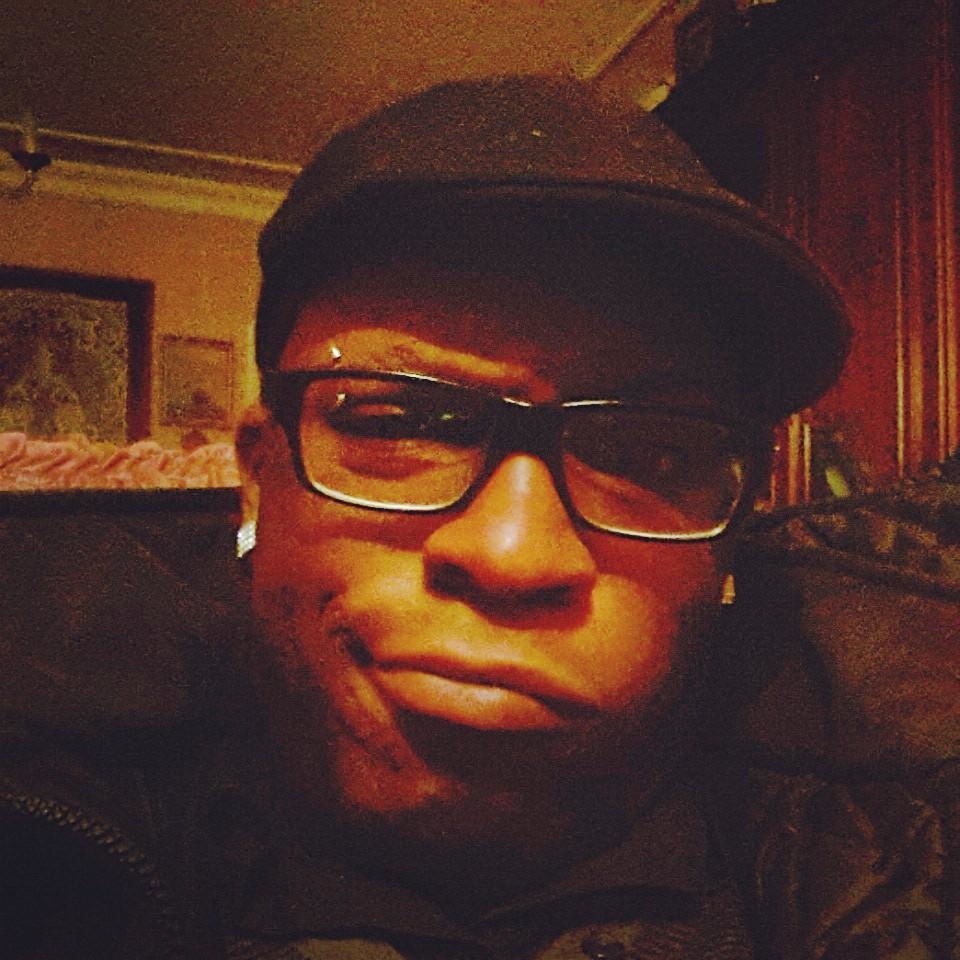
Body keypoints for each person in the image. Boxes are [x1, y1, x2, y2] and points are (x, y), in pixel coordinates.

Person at [1, 75, 956, 960]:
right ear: (258, 474)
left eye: (652, 455)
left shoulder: (902, 833)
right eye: (399, 423)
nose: (512, 553)